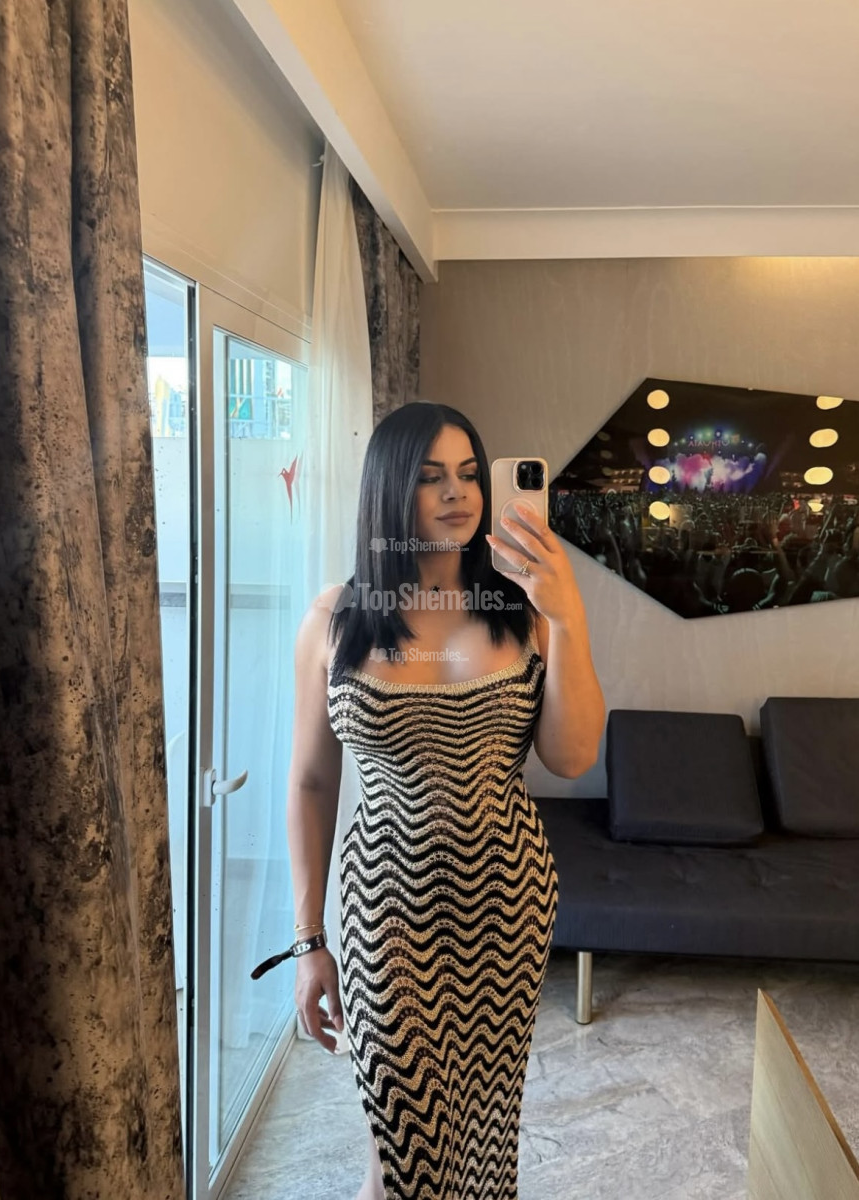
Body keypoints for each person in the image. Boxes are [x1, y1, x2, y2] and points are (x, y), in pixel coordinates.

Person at [284, 402, 605, 1200]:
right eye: (432, 477)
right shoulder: (333, 620)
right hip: (386, 914)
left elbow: (570, 757)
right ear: (390, 490)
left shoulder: (524, 608)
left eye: (469, 473)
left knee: (482, 1139)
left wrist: (567, 617)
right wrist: (308, 940)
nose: (458, 493)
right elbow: (312, 783)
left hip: (506, 907)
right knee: (402, 1147)